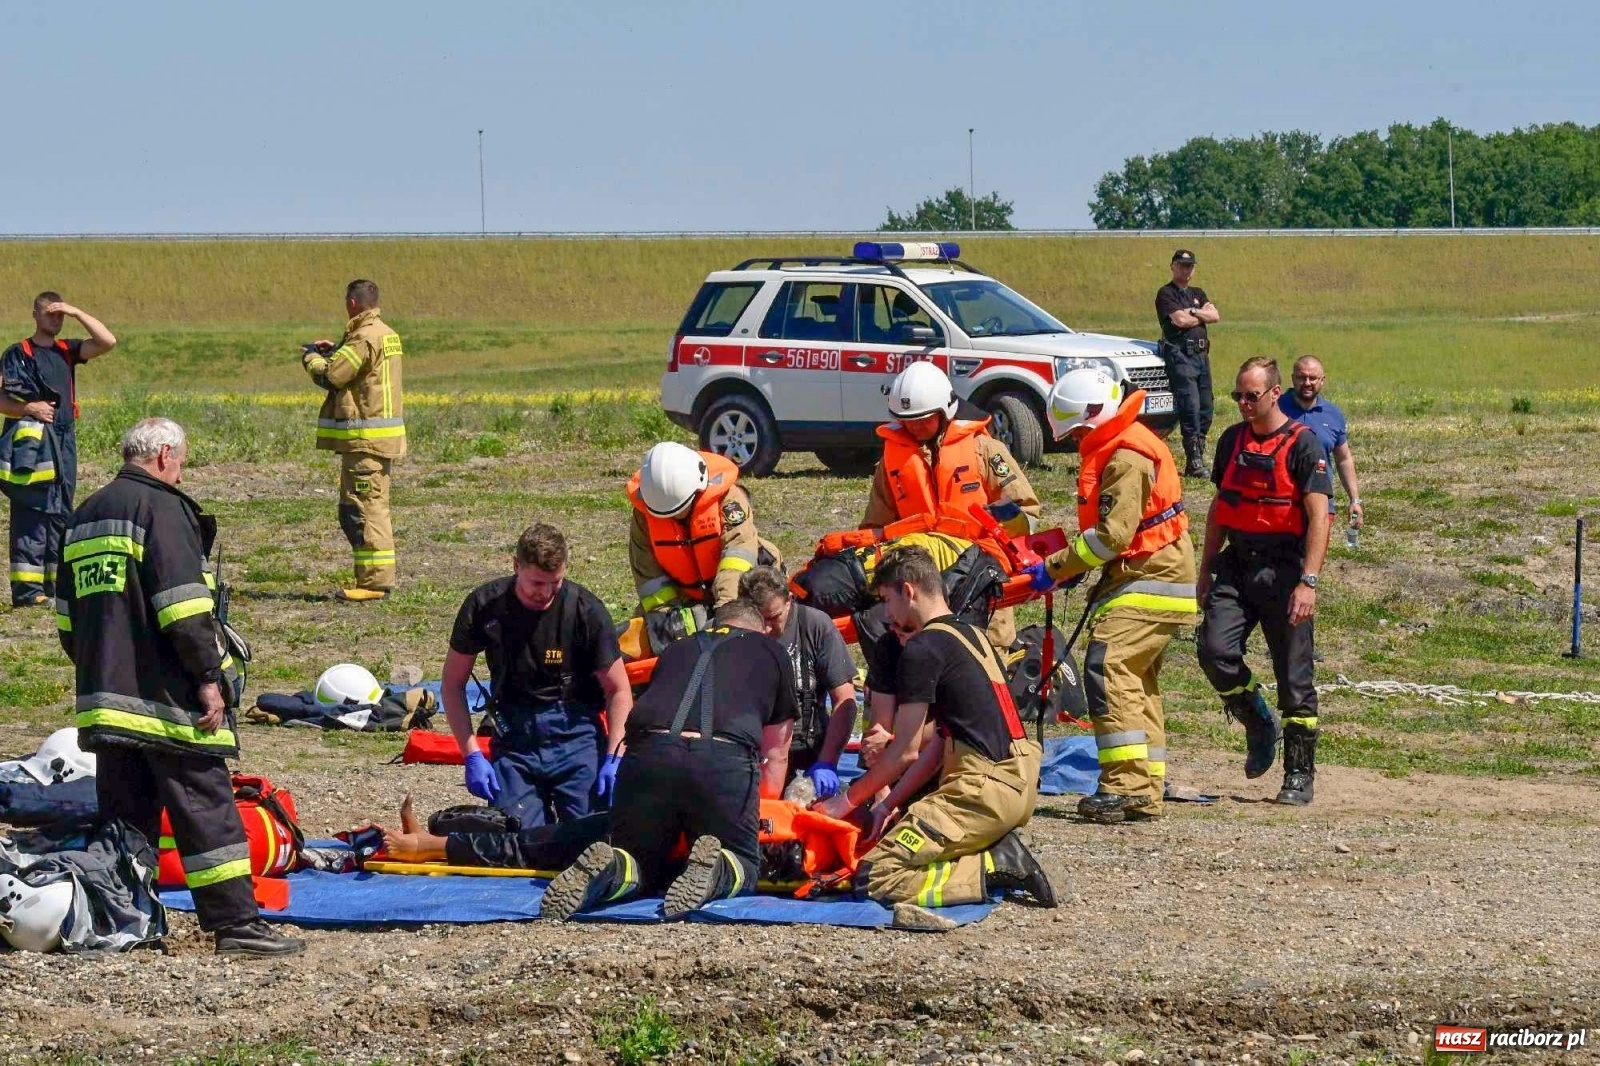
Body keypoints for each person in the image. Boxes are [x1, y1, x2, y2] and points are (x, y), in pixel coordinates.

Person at [55, 418, 303, 957]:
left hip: (105, 705)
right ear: (165, 454)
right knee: (207, 809)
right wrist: (209, 681)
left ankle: (128, 925)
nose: (182, 470)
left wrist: (102, 672)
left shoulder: (85, 516)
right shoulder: (162, 508)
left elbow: (68, 622)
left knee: (125, 822)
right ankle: (237, 925)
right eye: (183, 460)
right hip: (167, 704)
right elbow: (185, 610)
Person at [814, 547, 1056, 929]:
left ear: (908, 591)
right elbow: (939, 746)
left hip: (979, 792)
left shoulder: (923, 649)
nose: (887, 616)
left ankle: (992, 866)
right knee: (906, 839)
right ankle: (991, 849)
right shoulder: (972, 635)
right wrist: (887, 805)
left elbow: (905, 753)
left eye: (887, 601)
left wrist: (844, 802)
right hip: (1017, 784)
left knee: (875, 873)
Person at [538, 598, 798, 921]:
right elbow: (776, 752)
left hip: (647, 755)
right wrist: (763, 812)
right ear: (762, 629)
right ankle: (718, 869)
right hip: (722, 761)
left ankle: (610, 868)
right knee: (745, 862)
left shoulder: (677, 648)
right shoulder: (772, 652)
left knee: (640, 862)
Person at [1029, 368, 1198, 823]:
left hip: (1150, 575)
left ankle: (1125, 787)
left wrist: (1053, 568)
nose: (1075, 438)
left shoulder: (1125, 455)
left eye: (1078, 430)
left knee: (1109, 665)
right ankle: (1146, 787)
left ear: (1092, 418)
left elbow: (1113, 537)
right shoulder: (1126, 443)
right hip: (1155, 574)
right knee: (1137, 681)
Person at [1198, 358, 1332, 805]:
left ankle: (1299, 773)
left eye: (1250, 396)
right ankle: (1256, 718)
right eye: (1237, 396)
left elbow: (1319, 517)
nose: (1242, 404)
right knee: (1214, 650)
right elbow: (1221, 507)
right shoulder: (1231, 440)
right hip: (1237, 562)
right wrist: (1205, 569)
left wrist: (1308, 582)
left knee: (1295, 678)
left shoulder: (1304, 445)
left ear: (1275, 393)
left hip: (1286, 569)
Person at [443, 523, 633, 826]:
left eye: (555, 583)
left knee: (592, 836)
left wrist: (614, 756)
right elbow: (453, 685)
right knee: (516, 838)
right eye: (537, 583)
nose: (545, 594)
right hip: (515, 736)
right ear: (516, 565)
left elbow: (619, 690)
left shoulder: (586, 611)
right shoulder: (484, 606)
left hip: (576, 733)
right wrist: (472, 755)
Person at [862, 361, 1041, 647]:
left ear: (945, 411)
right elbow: (875, 527)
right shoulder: (892, 464)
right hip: (920, 583)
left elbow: (1027, 511)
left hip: (979, 575)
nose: (916, 427)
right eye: (908, 420)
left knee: (989, 656)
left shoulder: (985, 451)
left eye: (924, 419)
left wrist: (995, 541)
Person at [0, 293, 117, 608]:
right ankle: (27, 592)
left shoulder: (68, 350)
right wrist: (29, 407)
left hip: (64, 439)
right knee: (32, 510)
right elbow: (1, 399)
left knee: (60, 510)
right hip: (32, 441)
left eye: (59, 315)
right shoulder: (17, 353)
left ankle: (54, 587)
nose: (55, 319)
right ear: (34, 315)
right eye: (49, 314)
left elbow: (108, 341)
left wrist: (77, 311)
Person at [301, 279, 404, 602]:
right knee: (368, 507)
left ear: (353, 304)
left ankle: (373, 585)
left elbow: (333, 376)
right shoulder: (385, 333)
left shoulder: (363, 336)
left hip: (365, 443)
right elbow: (356, 367)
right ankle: (373, 581)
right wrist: (336, 352)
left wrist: (311, 360)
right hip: (377, 441)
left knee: (364, 509)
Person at [738, 566, 858, 797]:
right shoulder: (731, 631)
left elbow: (845, 699)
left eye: (773, 618)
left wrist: (827, 761)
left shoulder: (815, 625)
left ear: (789, 601)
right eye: (758, 619)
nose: (766, 629)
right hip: (750, 756)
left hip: (808, 753)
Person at [627, 441, 780, 616]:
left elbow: (738, 554)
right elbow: (648, 575)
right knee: (647, 631)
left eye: (680, 509)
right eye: (666, 514)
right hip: (686, 596)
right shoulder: (645, 512)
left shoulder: (729, 499)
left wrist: (726, 609)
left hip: (742, 586)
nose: (675, 517)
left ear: (698, 488)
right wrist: (668, 617)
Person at [1280, 355, 1363, 538]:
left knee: (1312, 563)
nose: (1307, 383)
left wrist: (1354, 500)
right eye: (1301, 377)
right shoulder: (1275, 408)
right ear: (1293, 378)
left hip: (1321, 505)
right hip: (1280, 504)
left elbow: (1343, 458)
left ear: (1322, 380)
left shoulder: (1333, 414)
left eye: (1313, 378)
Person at [1155, 249, 1220, 478]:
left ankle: (1200, 455)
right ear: (1173, 266)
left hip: (1202, 355)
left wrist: (1193, 311)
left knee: (1206, 408)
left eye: (1190, 265)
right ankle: (1193, 461)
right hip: (1181, 356)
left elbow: (1215, 316)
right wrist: (1199, 314)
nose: (1186, 269)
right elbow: (1180, 321)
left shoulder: (1197, 292)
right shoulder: (1166, 294)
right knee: (1190, 407)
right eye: (1182, 265)